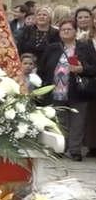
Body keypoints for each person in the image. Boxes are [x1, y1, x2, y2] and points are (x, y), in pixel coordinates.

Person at [36, 19, 96, 161]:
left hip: (78, 92)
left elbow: (94, 68)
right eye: (63, 30)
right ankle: (60, 148)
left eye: (69, 29)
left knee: (78, 122)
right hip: (56, 90)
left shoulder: (86, 48)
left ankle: (75, 150)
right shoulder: (53, 48)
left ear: (75, 31)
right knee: (59, 122)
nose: (66, 32)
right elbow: (42, 68)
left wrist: (82, 69)